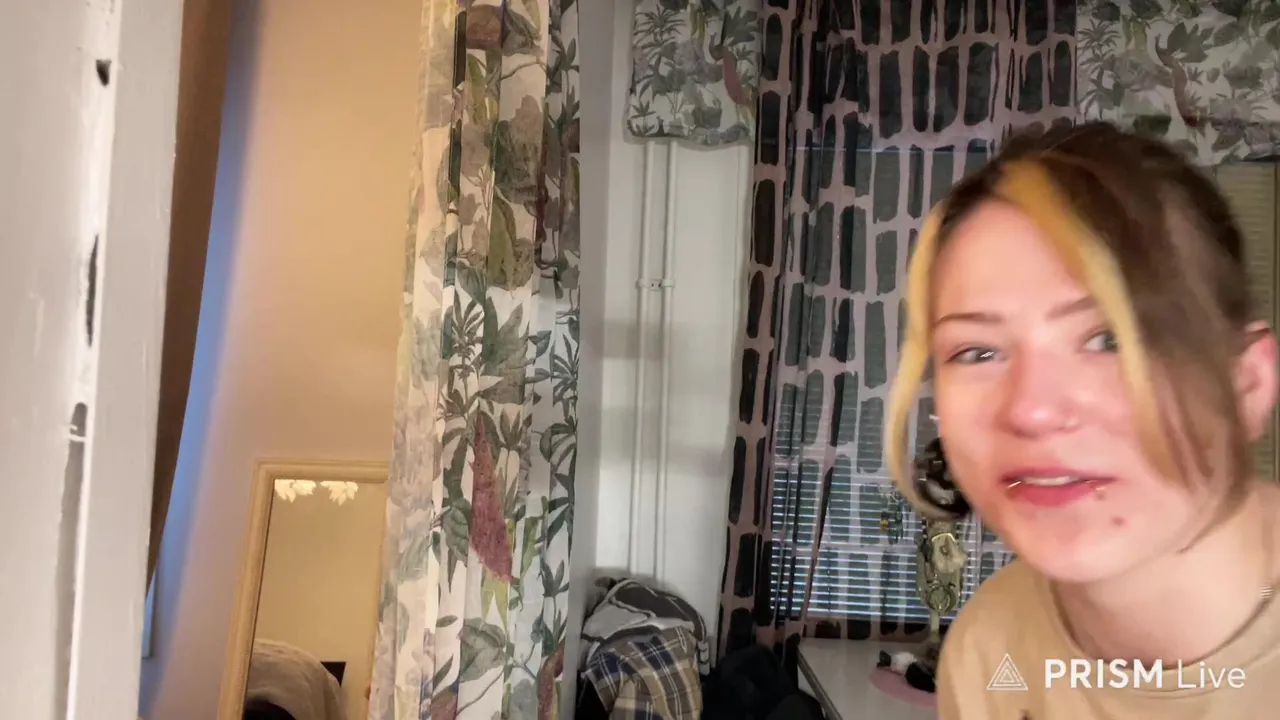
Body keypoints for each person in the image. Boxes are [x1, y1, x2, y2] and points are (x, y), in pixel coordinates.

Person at [884, 121, 1280, 718]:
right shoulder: (990, 650)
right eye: (978, 352)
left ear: (1246, 385)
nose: (1032, 410)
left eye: (1110, 339)